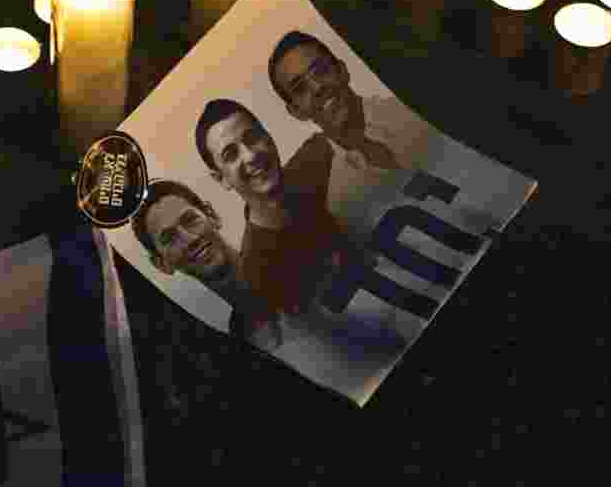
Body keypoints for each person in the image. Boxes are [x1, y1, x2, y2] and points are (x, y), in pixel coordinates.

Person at [194, 99, 406, 358]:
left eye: (252, 138)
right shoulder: (260, 269)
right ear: (221, 178)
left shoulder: (320, 155)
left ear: (268, 137)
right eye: (231, 155)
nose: (250, 155)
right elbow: (340, 340)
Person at [266, 30, 435, 236]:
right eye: (300, 88)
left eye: (320, 71)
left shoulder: (412, 106)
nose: (318, 87)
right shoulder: (340, 201)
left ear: (342, 70)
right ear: (296, 112)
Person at [131, 179, 284, 351]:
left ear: (212, 215)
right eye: (170, 239)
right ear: (161, 264)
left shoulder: (289, 264)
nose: (191, 240)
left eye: (190, 221)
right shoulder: (229, 349)